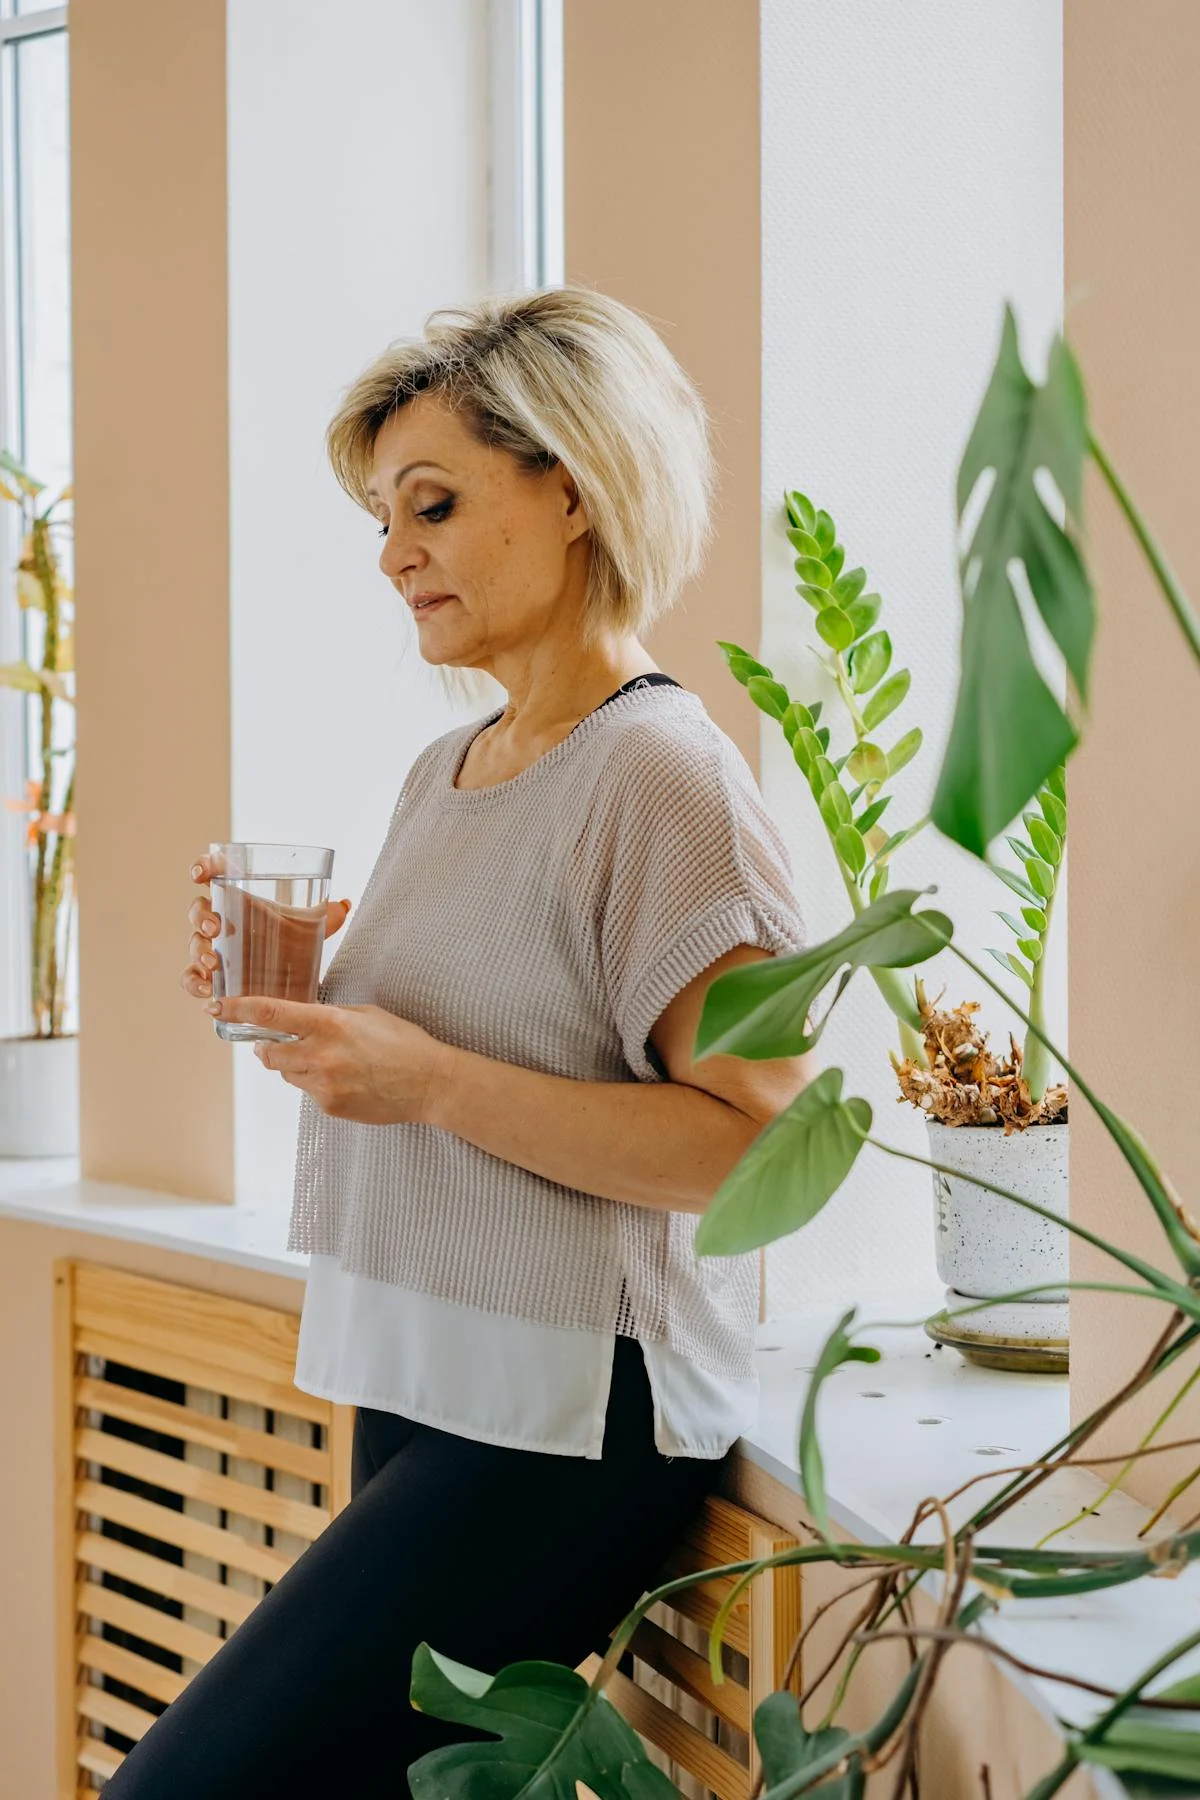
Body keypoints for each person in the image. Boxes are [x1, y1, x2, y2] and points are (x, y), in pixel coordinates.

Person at [113, 287, 811, 1796]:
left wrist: (424, 1077)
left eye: (432, 504)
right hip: (429, 1366)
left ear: (572, 488)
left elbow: (756, 1144)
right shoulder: (454, 765)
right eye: (383, 518)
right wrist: (308, 994)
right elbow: (480, 1016)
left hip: (569, 1416)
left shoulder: (661, 774)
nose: (393, 555)